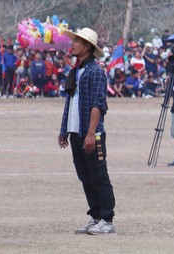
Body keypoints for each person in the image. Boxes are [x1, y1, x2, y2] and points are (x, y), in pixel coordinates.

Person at [58, 27, 116, 235]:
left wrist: (91, 133)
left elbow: (97, 105)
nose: (72, 44)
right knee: (85, 176)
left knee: (98, 175)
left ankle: (107, 220)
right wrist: (64, 130)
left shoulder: (96, 72)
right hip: (75, 133)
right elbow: (70, 102)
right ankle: (96, 217)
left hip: (91, 134)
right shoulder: (76, 70)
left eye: (77, 42)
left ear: (88, 47)